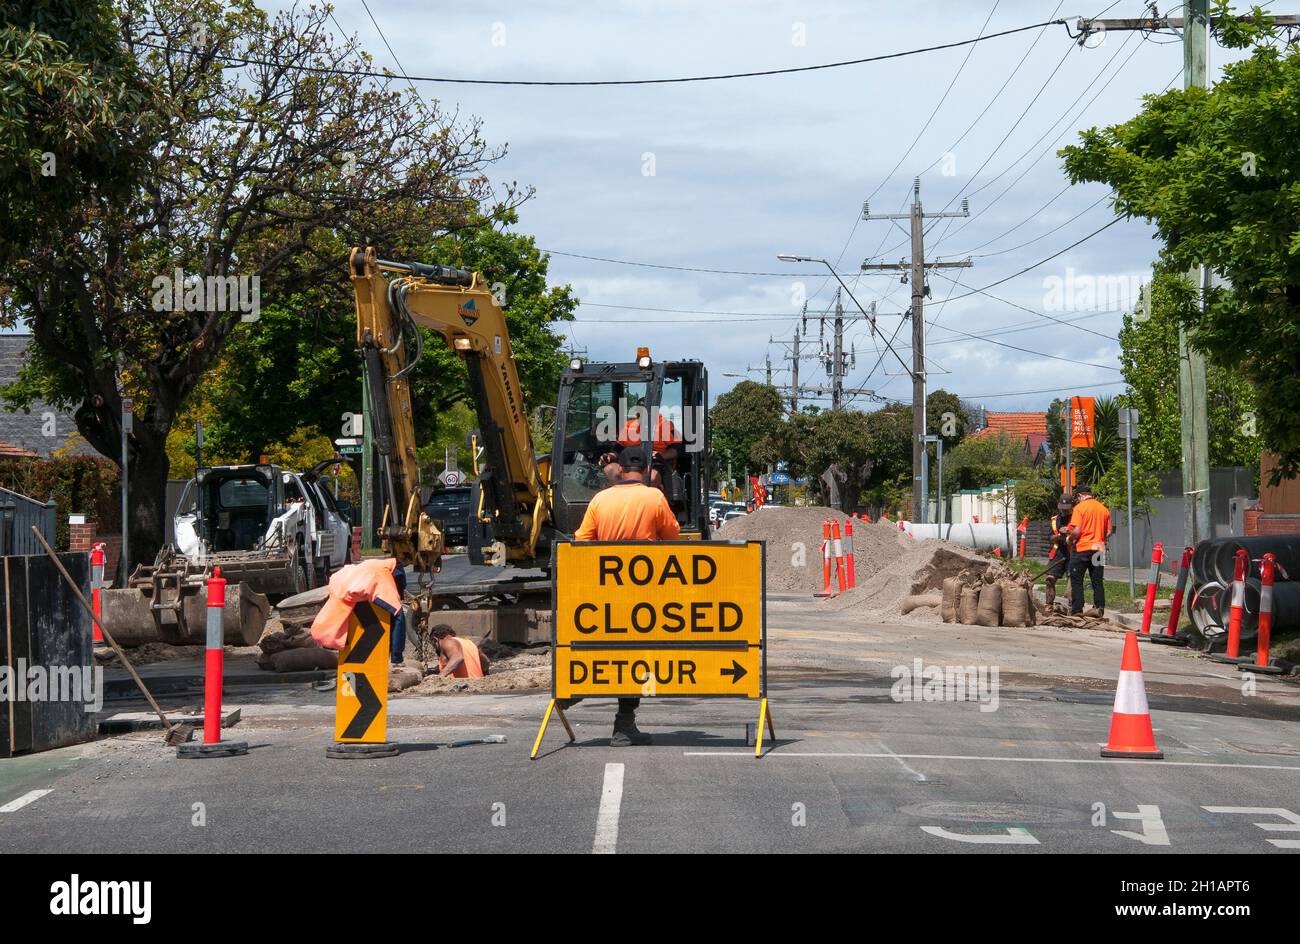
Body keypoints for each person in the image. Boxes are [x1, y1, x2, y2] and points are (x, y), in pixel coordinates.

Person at [571, 447, 681, 746]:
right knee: (636, 659)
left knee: (605, 647)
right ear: (645, 470)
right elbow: (673, 538)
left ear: (619, 469)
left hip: (606, 590)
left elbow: (581, 542)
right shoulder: (653, 497)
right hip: (643, 592)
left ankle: (576, 685)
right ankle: (623, 725)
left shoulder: (600, 499)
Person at [1064, 483, 1113, 616]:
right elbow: (1108, 531)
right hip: (1099, 549)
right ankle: (1099, 607)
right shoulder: (1104, 509)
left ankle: (1077, 610)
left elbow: (1077, 530)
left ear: (1080, 496)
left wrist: (1070, 539)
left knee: (1077, 580)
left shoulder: (1079, 508)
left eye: (1077, 498)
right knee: (1097, 580)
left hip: (1082, 549)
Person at [1042, 497, 1075, 611]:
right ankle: (1049, 605)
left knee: (1072, 580)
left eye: (1067, 509)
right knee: (1049, 579)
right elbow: (1050, 538)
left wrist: (1070, 533)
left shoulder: (1077, 518)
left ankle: (1072, 607)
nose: (1064, 511)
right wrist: (1059, 536)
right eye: (1062, 508)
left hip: (1073, 553)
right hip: (1058, 553)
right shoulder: (1055, 520)